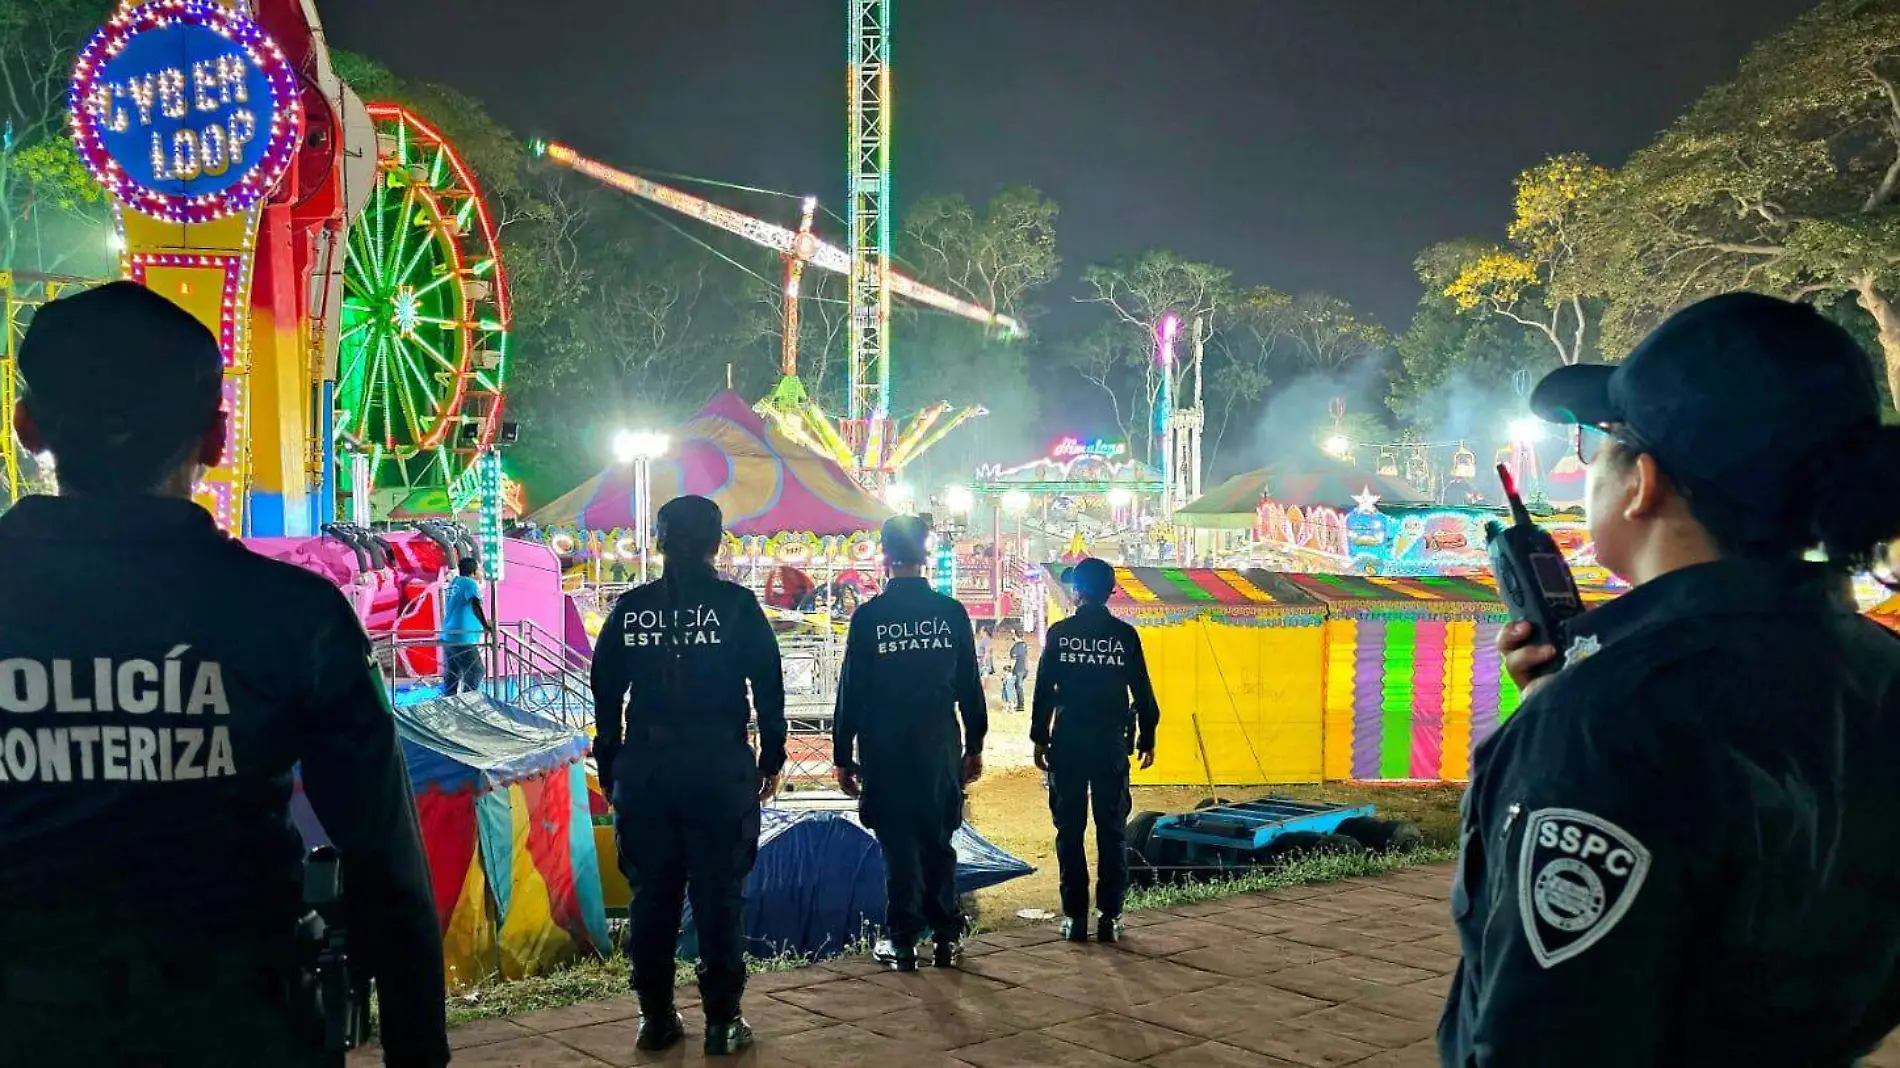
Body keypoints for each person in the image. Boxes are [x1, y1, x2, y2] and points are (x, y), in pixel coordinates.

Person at [1438, 293, 1900, 1068]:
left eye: (1599, 443)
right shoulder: (1878, 674)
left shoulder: (1608, 721)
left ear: (1642, 482)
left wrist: (1569, 730)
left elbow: (1545, 1037)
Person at [0, 282, 447, 1067]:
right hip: (240, 1027)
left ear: (25, 424)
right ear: (216, 435)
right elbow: (385, 868)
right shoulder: (294, 615)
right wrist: (419, 1052)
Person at [590, 495, 785, 1057]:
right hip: (717, 769)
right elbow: (768, 690)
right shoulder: (737, 607)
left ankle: (655, 1017)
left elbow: (606, 692)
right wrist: (770, 759)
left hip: (647, 772)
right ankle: (724, 1021)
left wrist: (611, 760)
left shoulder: (631, 610)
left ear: (660, 541)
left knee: (652, 895)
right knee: (720, 894)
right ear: (717, 542)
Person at [833, 515, 987, 972]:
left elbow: (851, 692)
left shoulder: (869, 617)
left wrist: (843, 756)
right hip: (937, 743)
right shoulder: (950, 613)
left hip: (885, 746)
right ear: (927, 554)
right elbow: (969, 687)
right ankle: (945, 936)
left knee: (897, 844)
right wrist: (974, 744)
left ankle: (902, 941)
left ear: (884, 555)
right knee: (939, 839)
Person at [1030, 558, 1160, 943]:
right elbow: (1144, 694)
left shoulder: (1060, 634)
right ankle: (1110, 916)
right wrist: (1147, 738)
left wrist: (1040, 738)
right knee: (1112, 831)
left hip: (1068, 744)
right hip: (1109, 746)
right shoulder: (1124, 636)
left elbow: (1043, 694)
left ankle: (1074, 918)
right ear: (1110, 592)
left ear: (1077, 592)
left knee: (1069, 831)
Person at [439, 555, 491, 695]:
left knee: (453, 674)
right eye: (479, 570)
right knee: (476, 670)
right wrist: (486, 625)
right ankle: (468, 701)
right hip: (463, 637)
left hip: (449, 635)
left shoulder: (454, 583)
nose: (481, 573)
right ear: (474, 571)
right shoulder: (469, 583)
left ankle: (450, 703)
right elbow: (475, 603)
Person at [1005, 631, 1030, 711]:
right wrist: (1027, 668)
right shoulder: (1025, 644)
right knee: (1019, 687)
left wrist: (1008, 670)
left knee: (1016, 688)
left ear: (1015, 635)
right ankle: (1019, 704)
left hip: (1017, 670)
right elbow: (1026, 657)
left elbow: (1013, 660)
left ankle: (1020, 705)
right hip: (1024, 669)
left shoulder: (1015, 647)